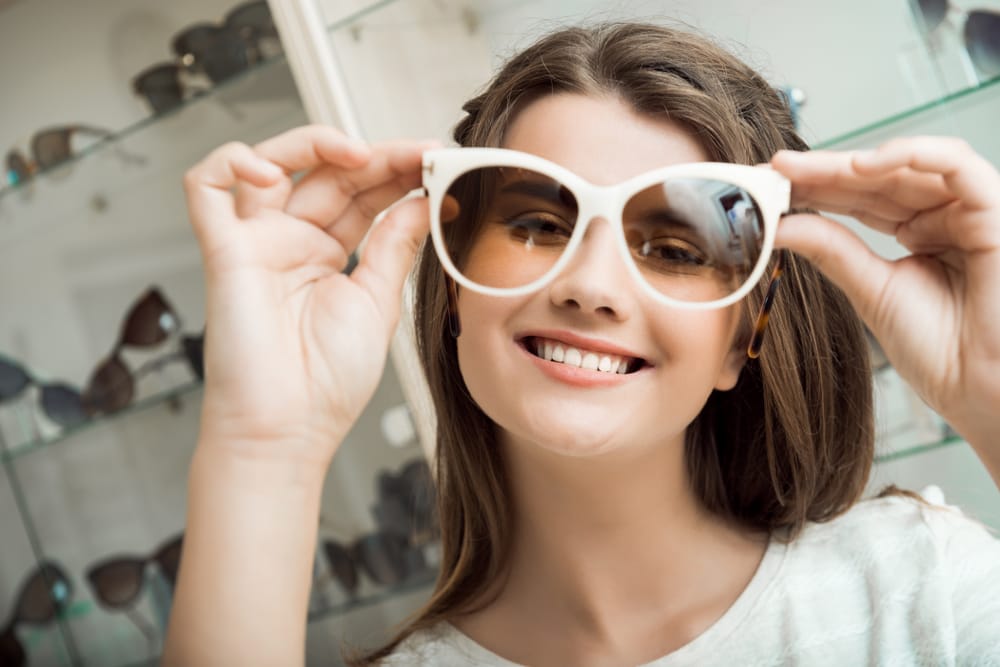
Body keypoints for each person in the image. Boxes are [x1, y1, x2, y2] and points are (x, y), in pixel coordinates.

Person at [162, 21, 1000, 667]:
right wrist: (264, 445)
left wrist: (991, 392)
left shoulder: (915, 587)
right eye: (536, 222)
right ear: (453, 283)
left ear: (743, 336)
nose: (589, 285)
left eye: (673, 247)